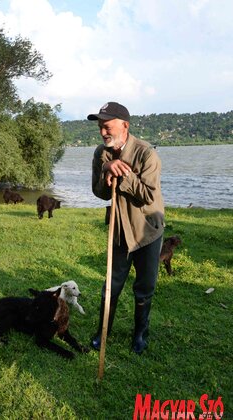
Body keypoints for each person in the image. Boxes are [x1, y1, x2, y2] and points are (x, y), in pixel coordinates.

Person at [87, 101, 164, 355]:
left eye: (107, 126)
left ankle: (140, 334)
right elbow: (99, 193)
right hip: (119, 231)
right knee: (111, 285)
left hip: (147, 232)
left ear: (124, 126)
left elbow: (148, 196)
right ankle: (102, 332)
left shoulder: (146, 154)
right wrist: (106, 169)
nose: (103, 132)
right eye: (100, 127)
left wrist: (125, 176)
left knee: (144, 287)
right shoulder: (101, 153)